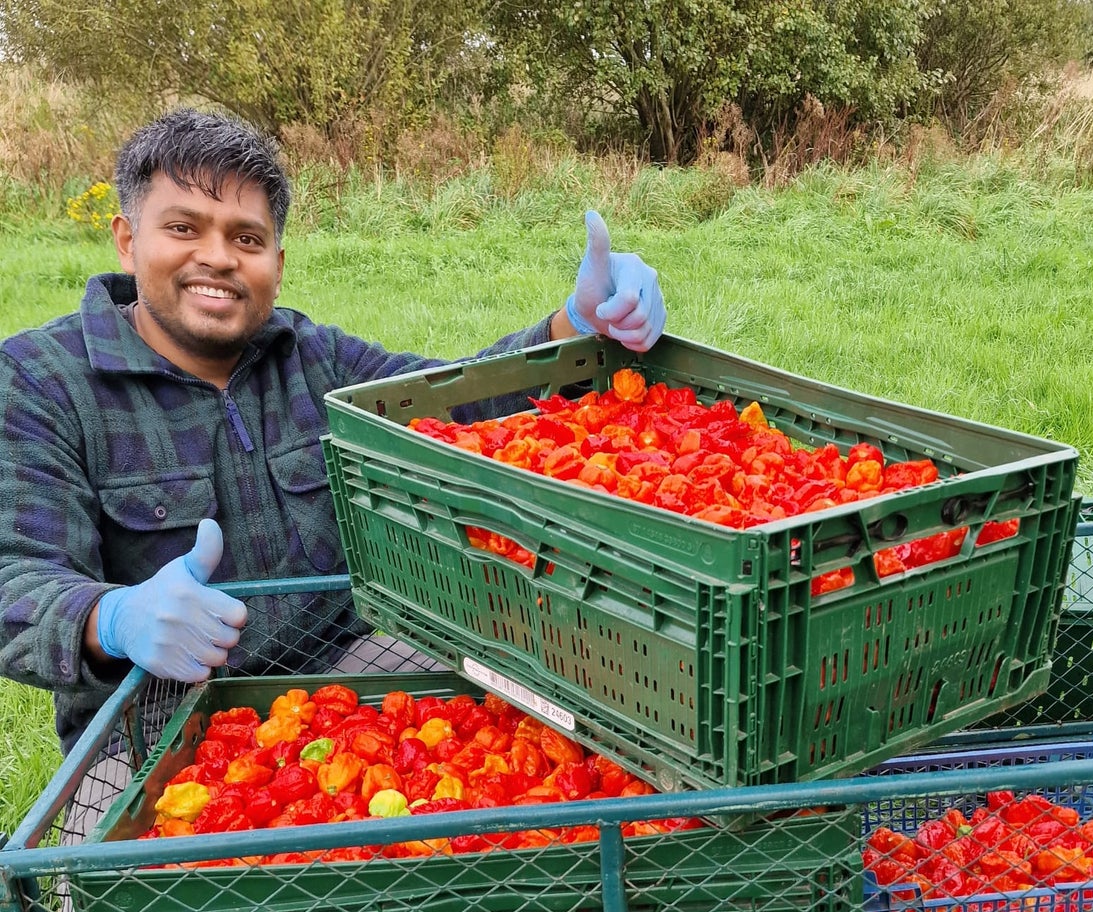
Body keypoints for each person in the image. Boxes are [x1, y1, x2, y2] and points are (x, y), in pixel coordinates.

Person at [0, 108, 666, 756]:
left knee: (542, 760)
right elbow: (15, 577)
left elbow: (454, 402)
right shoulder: (42, 379)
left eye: (246, 238)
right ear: (127, 238)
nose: (218, 258)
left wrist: (569, 330)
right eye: (183, 228)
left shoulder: (313, 357)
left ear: (277, 262)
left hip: (356, 674)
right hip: (156, 722)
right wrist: (110, 618)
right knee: (111, 868)